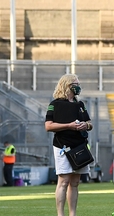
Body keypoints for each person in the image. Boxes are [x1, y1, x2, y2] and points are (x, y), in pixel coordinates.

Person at [45, 74, 93, 216]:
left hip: (80, 146)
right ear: (67, 85)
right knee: (64, 180)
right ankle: (61, 214)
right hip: (62, 146)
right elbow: (48, 126)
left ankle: (73, 214)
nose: (78, 86)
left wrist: (86, 125)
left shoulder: (80, 104)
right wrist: (69, 126)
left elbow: (90, 124)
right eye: (75, 83)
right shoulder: (55, 104)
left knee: (75, 182)